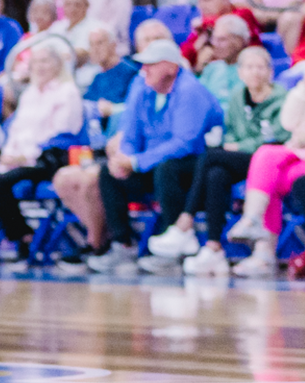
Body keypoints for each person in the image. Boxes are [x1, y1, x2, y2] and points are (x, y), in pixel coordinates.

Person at [78, 41, 224, 274]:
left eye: (151, 64)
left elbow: (183, 143)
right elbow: (131, 131)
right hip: (152, 161)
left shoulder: (190, 91)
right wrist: (124, 157)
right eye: (144, 64)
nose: (144, 69)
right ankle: (122, 245)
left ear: (171, 67)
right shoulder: (141, 85)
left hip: (195, 164)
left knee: (168, 169)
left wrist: (137, 162)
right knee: (109, 173)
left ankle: (173, 248)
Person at [149, 45, 285, 276]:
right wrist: (237, 145)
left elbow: (277, 137)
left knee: (211, 156)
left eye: (260, 67)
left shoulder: (280, 98)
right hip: (243, 159)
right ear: (240, 72)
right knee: (216, 174)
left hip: (271, 161)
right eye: (249, 67)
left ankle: (185, 222)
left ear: (270, 72)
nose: (255, 72)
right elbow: (230, 133)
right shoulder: (237, 97)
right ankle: (214, 248)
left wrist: (240, 146)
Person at [0, 41, 82, 269]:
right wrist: (7, 155)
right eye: (35, 62)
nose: (40, 66)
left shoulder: (67, 92)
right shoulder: (29, 94)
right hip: (16, 160)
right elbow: (16, 130)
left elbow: (63, 133)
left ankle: (23, 237)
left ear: (57, 64)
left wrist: (24, 157)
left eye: (45, 61)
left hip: (47, 159)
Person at [223, 79, 305, 276]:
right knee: (268, 169)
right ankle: (259, 244)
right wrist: (301, 92)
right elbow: (288, 122)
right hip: (298, 154)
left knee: (266, 158)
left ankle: (256, 234)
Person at [180, 0, 259, 66]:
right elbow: (184, 56)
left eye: (207, 0)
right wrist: (196, 47)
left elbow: (228, 21)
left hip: (249, 66)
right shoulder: (204, 25)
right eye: (199, 1)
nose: (201, 6)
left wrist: (203, 23)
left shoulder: (243, 13)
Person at [194, 14, 252, 101]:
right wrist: (199, 68)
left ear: (239, 41)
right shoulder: (211, 68)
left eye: (222, 39)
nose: (215, 44)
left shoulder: (252, 69)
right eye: (214, 39)